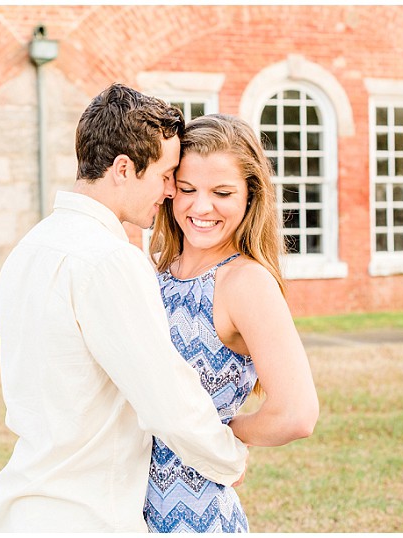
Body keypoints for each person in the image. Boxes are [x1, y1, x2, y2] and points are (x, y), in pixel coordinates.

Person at [0, 84, 249, 532]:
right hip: (88, 516)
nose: (170, 192)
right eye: (166, 175)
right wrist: (229, 458)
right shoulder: (109, 259)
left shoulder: (30, 248)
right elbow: (164, 396)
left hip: (25, 509)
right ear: (124, 168)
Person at [144, 113, 320, 532]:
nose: (201, 207)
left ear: (250, 195)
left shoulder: (245, 282)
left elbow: (296, 413)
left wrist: (223, 434)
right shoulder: (154, 270)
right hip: (123, 509)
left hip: (194, 515)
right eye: (187, 189)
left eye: (222, 192)